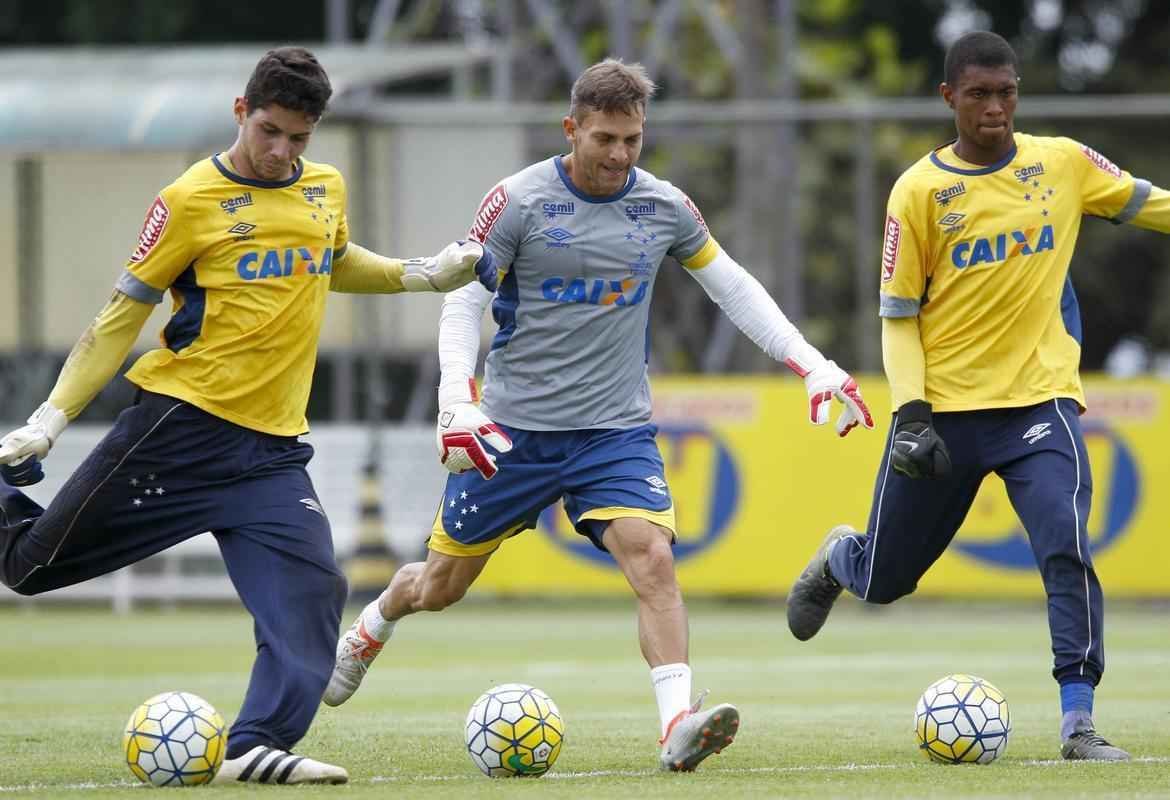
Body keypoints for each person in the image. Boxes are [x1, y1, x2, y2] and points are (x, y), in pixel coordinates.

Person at [323, 57, 874, 772]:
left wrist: (814, 364)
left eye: (632, 141)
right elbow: (463, 297)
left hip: (614, 432)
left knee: (652, 559)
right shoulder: (517, 201)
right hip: (510, 432)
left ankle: (678, 724)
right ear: (572, 129)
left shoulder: (665, 207)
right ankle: (372, 626)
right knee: (439, 587)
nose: (618, 155)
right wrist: (455, 400)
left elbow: (732, 287)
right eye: (605, 138)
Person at [0, 47, 497, 785]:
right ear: (241, 111)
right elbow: (116, 321)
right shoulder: (188, 200)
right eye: (269, 131)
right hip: (180, 428)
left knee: (315, 593)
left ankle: (253, 745)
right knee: (31, 565)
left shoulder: (323, 187)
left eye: (298, 138)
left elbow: (331, 257)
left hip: (270, 454)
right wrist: (51, 418)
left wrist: (417, 275)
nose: (280, 152)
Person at [785, 31, 1170, 761]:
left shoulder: (1062, 163)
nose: (995, 108)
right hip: (944, 416)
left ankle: (1078, 722)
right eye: (979, 94)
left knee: (1065, 544)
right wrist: (912, 414)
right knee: (887, 581)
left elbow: (1151, 204)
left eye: (1007, 93)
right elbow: (897, 320)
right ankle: (843, 560)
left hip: (1040, 403)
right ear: (949, 99)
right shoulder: (919, 192)